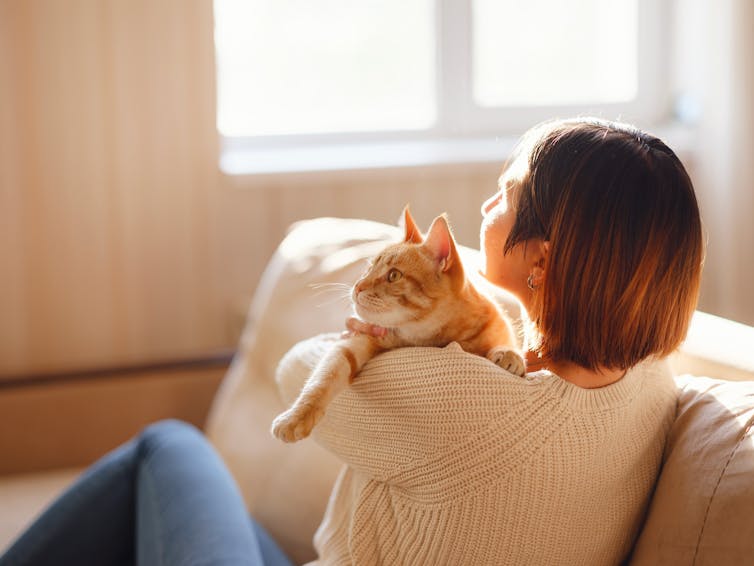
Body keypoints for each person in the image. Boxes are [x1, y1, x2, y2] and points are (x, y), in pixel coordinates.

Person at [1, 117, 704, 565]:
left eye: (505, 195)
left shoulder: (468, 402)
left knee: (167, 447)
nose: (485, 210)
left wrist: (385, 332)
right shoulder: (654, 383)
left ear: (543, 261)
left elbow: (295, 373)